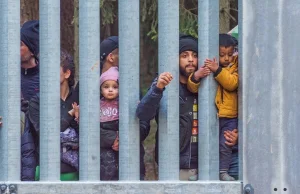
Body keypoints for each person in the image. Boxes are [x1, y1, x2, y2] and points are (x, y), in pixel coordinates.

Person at [136, 34, 212, 181]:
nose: (191, 59)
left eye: (194, 55)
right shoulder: (164, 83)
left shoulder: (206, 84)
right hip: (174, 165)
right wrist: (157, 89)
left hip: (206, 165)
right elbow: (143, 114)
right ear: (176, 59)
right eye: (184, 55)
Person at [26, 49, 80, 181]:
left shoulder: (79, 98)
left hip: (80, 172)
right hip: (47, 171)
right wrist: (70, 115)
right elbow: (45, 134)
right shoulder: (37, 102)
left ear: (67, 73)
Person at [204, 33, 238, 181]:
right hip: (213, 114)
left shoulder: (235, 67)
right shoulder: (208, 65)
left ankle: (223, 171)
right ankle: (204, 170)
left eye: (230, 54)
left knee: (225, 143)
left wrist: (217, 70)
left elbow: (231, 83)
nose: (226, 58)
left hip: (230, 116)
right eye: (222, 54)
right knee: (207, 142)